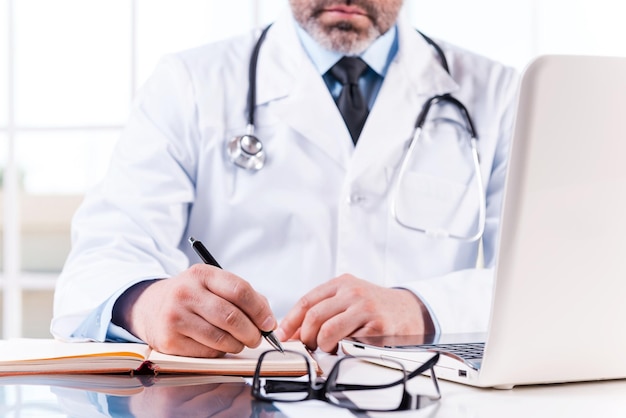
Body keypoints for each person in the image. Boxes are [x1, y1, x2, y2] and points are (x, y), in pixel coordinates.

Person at [52, 0, 519, 358]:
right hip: (235, 392)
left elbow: (545, 279)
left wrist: (420, 308)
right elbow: (99, 260)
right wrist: (146, 304)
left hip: (426, 394)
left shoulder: (498, 94)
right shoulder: (190, 82)